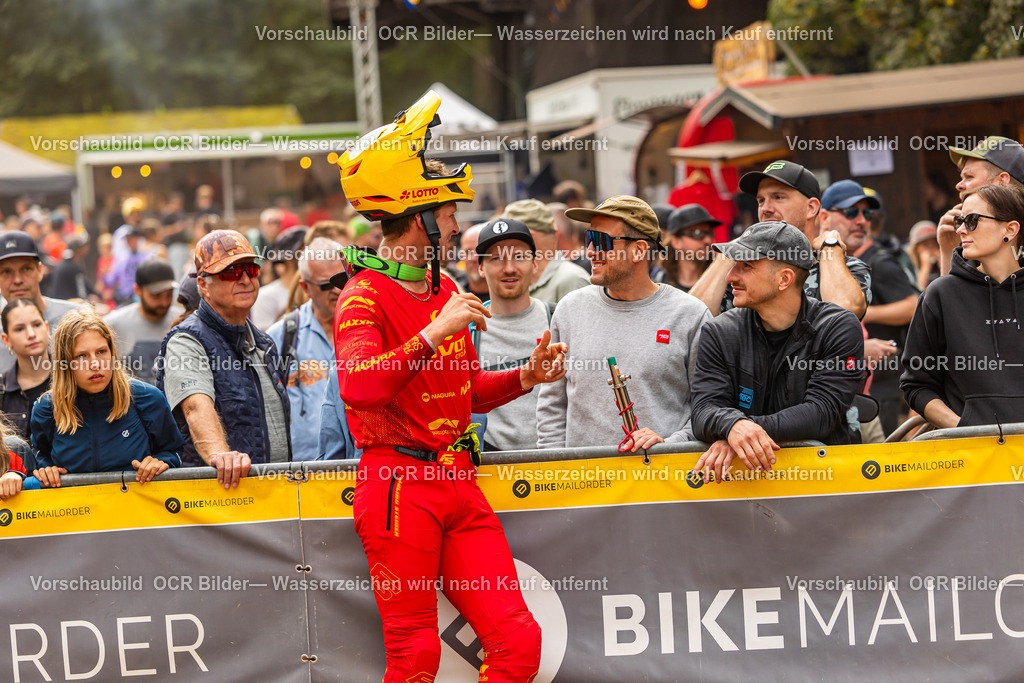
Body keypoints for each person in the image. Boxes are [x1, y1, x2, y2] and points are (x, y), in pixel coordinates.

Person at [335, 90, 566, 683]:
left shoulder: (442, 291)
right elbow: (360, 390)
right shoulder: (362, 295)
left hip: (457, 480)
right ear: (417, 220)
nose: (456, 225)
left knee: (519, 641)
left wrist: (525, 377)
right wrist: (434, 333)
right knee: (416, 656)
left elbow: (461, 393)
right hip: (395, 485)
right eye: (446, 214)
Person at [691, 222, 864, 484]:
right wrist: (734, 427)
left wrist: (740, 430)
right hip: (744, 488)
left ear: (784, 279)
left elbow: (822, 412)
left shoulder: (836, 326)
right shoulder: (719, 331)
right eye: (734, 263)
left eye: (746, 266)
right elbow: (703, 408)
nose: (730, 276)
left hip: (826, 484)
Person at [537, 195, 711, 450]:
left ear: (639, 250)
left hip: (662, 480)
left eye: (601, 241)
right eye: (589, 239)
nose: (590, 251)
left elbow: (708, 405)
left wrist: (670, 444)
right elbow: (552, 404)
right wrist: (553, 471)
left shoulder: (690, 314)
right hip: (584, 483)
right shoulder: (570, 309)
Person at [156, 230, 291, 486]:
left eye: (250, 269)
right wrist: (220, 455)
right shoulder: (186, 341)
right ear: (203, 285)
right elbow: (196, 407)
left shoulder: (265, 343)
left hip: (273, 499)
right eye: (230, 272)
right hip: (219, 502)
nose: (243, 279)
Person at [901, 184, 1024, 428]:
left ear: (1009, 229)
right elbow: (916, 385)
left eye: (972, 220)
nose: (960, 230)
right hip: (973, 455)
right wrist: (963, 428)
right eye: (959, 220)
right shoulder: (940, 294)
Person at [690, 160, 870, 319]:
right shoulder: (743, 270)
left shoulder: (845, 267)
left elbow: (846, 313)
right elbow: (690, 321)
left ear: (811, 208)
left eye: (778, 197)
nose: (765, 209)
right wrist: (729, 253)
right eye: (761, 200)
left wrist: (830, 247)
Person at [31, 311, 182, 487]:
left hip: (135, 511)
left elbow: (174, 451)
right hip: (75, 511)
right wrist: (46, 469)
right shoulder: (47, 407)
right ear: (65, 363)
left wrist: (161, 462)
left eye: (101, 351)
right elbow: (39, 453)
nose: (95, 363)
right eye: (82, 356)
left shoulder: (148, 398)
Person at [820, 180, 918, 435]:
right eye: (851, 212)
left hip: (883, 382)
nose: (862, 220)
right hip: (837, 393)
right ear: (823, 217)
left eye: (867, 214)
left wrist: (860, 311)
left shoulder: (880, 261)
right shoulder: (824, 261)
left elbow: (914, 305)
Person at [471, 218, 552, 451]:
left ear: (535, 264)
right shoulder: (466, 330)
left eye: (519, 257)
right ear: (480, 268)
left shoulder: (557, 319)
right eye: (496, 258)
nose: (508, 268)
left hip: (554, 465)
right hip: (488, 469)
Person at [267, 238, 346, 461]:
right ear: (305, 288)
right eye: (325, 284)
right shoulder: (280, 336)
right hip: (302, 473)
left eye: (342, 279)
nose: (337, 290)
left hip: (358, 468)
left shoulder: (370, 329)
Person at [0, 231, 88, 378]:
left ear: (40, 271)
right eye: (6, 272)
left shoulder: (78, 319)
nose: (17, 280)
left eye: (26, 269)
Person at [938, 137, 1024, 276]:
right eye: (966, 220)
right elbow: (950, 295)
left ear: (1001, 181)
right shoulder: (971, 241)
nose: (959, 185)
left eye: (969, 177)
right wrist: (948, 251)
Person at [103, 259, 183, 384]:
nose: (164, 302)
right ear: (137, 290)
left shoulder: (183, 321)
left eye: (169, 295)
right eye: (156, 296)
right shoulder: (112, 325)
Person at [507, 198, 590, 304]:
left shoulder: (571, 280)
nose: (501, 247)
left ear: (529, 238)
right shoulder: (525, 281)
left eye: (507, 239)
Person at [0, 299, 52, 439]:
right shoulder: (3, 391)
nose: (31, 334)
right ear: (6, 339)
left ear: (46, 328)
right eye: (20, 329)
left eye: (36, 325)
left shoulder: (73, 375)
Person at [250, 226, 307, 329]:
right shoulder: (265, 296)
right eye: (306, 249)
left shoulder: (318, 291)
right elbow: (266, 341)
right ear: (290, 257)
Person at [661, 204, 720, 292]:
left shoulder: (722, 282)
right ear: (676, 242)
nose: (707, 240)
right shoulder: (660, 285)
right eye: (697, 233)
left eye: (710, 234)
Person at [906, 221, 941, 291]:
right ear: (915, 249)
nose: (931, 248)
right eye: (925, 244)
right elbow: (919, 292)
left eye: (934, 243)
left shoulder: (943, 261)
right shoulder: (909, 268)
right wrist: (925, 267)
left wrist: (942, 263)